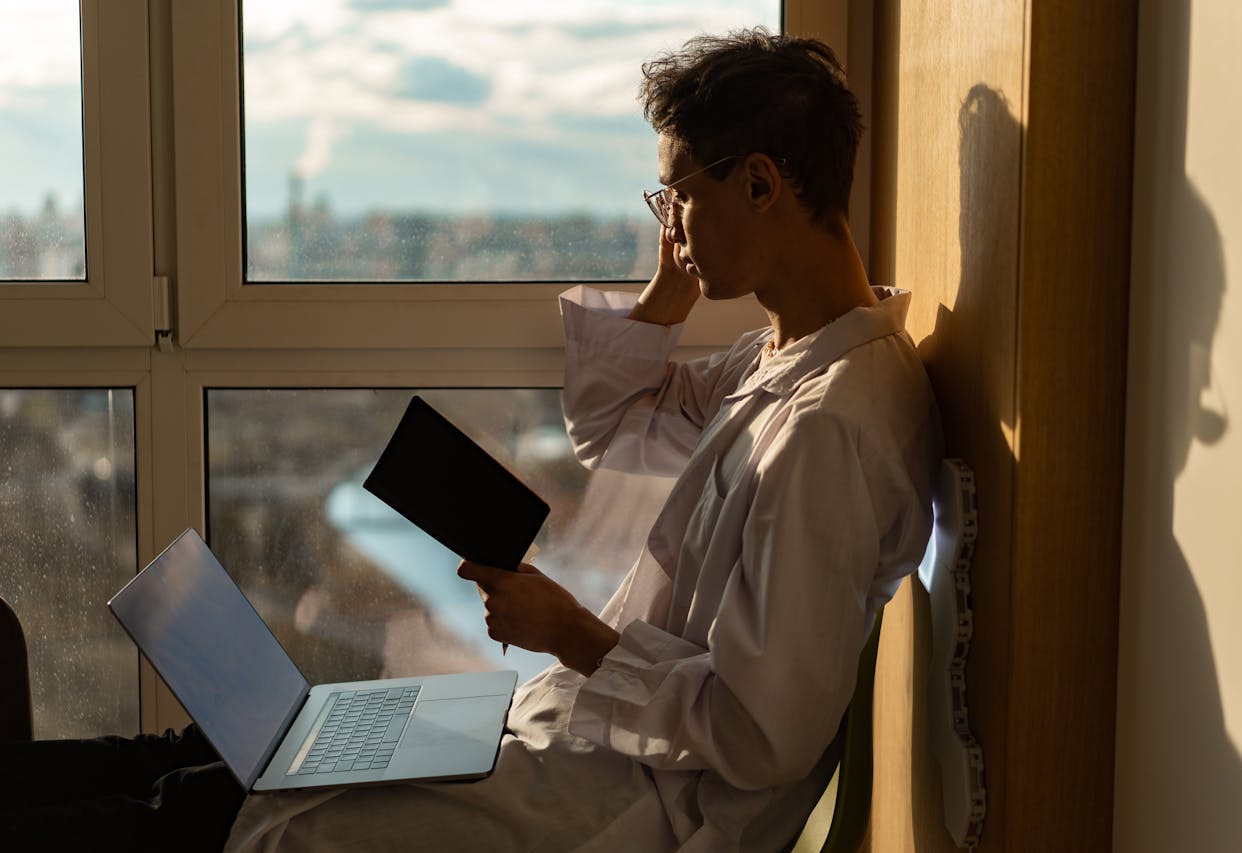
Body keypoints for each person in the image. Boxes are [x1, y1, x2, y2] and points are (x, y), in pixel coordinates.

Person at [2, 28, 941, 853]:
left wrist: (570, 630)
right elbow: (618, 422)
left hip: (637, 801)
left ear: (761, 182)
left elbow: (762, 733)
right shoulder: (785, 363)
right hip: (599, 741)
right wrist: (671, 288)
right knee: (218, 749)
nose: (670, 228)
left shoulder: (829, 431)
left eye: (677, 198)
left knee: (210, 809)